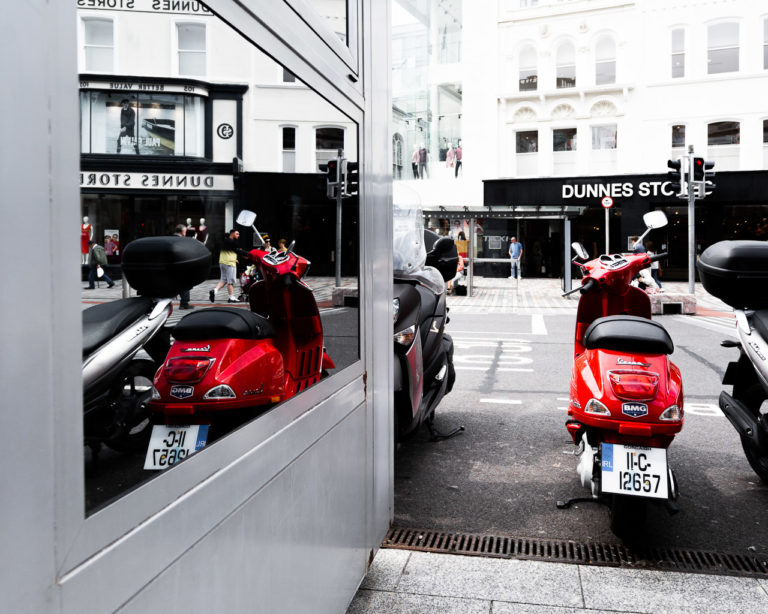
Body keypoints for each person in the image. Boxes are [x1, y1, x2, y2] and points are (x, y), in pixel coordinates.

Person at [210, 229, 248, 303]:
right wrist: (249, 253)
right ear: (232, 234)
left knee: (223, 280)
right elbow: (238, 251)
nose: (238, 235)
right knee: (230, 281)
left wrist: (235, 259)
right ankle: (231, 297)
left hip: (222, 262)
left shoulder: (225, 241)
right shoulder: (232, 242)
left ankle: (214, 291)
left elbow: (229, 252)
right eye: (237, 234)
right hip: (230, 263)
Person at [173, 224, 194, 309]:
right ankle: (184, 303)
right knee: (185, 283)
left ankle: (183, 302)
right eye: (185, 231)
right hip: (180, 266)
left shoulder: (170, 238)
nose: (185, 233)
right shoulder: (182, 240)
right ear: (182, 232)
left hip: (171, 266)